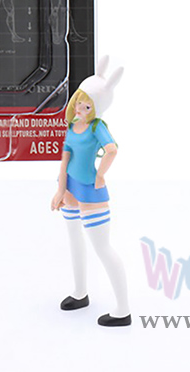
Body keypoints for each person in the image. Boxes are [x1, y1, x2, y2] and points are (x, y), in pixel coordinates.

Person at [50, 56, 131, 326]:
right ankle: (80, 292)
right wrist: (60, 190)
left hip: (90, 192)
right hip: (71, 189)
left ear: (97, 107)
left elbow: (112, 150)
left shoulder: (97, 127)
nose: (81, 108)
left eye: (88, 105)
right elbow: (65, 159)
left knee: (102, 247)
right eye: (80, 102)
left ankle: (123, 310)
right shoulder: (73, 125)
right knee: (74, 239)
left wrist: (100, 175)